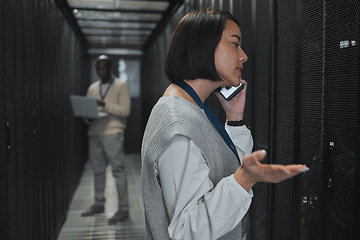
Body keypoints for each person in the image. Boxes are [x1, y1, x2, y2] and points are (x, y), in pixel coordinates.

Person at [141, 8, 309, 240]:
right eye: (235, 44)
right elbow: (188, 230)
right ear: (204, 46)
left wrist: (235, 120)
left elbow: (222, 172)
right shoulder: (178, 125)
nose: (244, 56)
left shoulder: (191, 107)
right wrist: (245, 180)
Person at [81, 55, 131, 225]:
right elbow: (88, 111)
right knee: (98, 170)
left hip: (112, 133)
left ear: (111, 69)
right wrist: (88, 116)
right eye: (99, 69)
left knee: (118, 171)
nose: (101, 71)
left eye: (104, 68)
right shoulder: (92, 88)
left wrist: (104, 105)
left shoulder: (121, 86)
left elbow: (125, 110)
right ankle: (99, 203)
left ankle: (123, 209)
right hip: (94, 132)